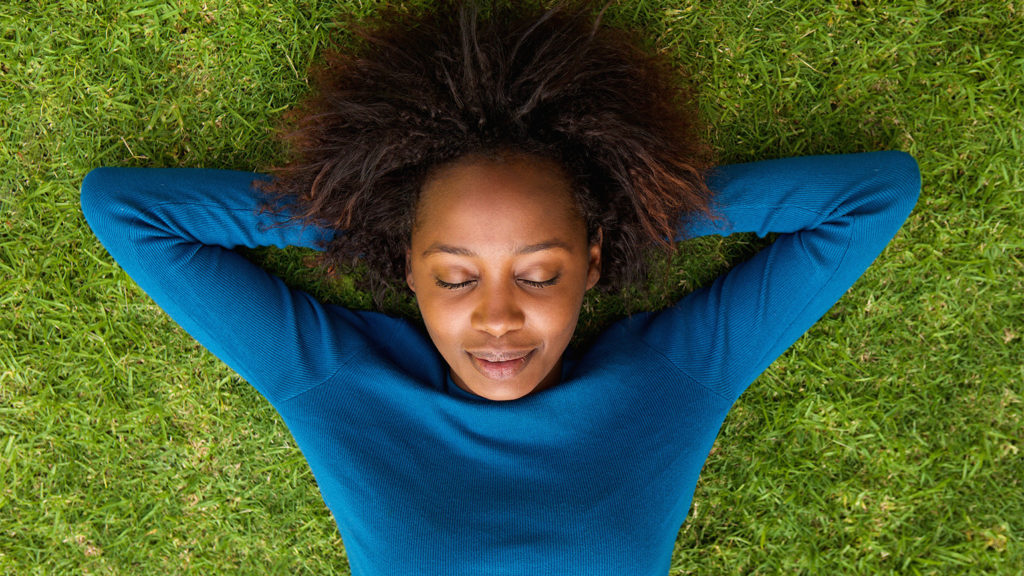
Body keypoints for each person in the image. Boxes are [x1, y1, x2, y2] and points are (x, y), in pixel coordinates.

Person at [80, 1, 921, 574]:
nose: (497, 317)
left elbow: (873, 195)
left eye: (541, 270)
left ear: (594, 262)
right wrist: (376, 222)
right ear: (410, 267)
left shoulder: (675, 380)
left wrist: (633, 206)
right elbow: (124, 209)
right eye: (452, 274)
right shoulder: (337, 383)